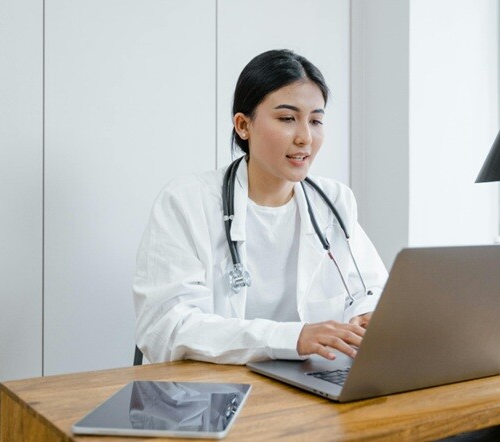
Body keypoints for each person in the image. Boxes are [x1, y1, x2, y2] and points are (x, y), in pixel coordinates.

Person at [133, 49, 388, 365]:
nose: (305, 137)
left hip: (305, 384)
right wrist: (290, 338)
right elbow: (166, 328)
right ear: (243, 125)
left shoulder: (334, 201)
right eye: (287, 119)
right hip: (206, 395)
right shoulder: (186, 202)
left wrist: (367, 315)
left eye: (316, 120)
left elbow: (369, 288)